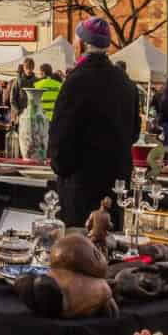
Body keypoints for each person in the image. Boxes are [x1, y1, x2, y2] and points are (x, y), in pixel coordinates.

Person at [48, 18, 140, 226]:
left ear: (81, 44)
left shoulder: (76, 81)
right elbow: (134, 132)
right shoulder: (125, 81)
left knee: (80, 250)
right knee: (109, 245)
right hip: (115, 182)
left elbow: (60, 135)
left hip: (81, 183)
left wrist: (61, 168)